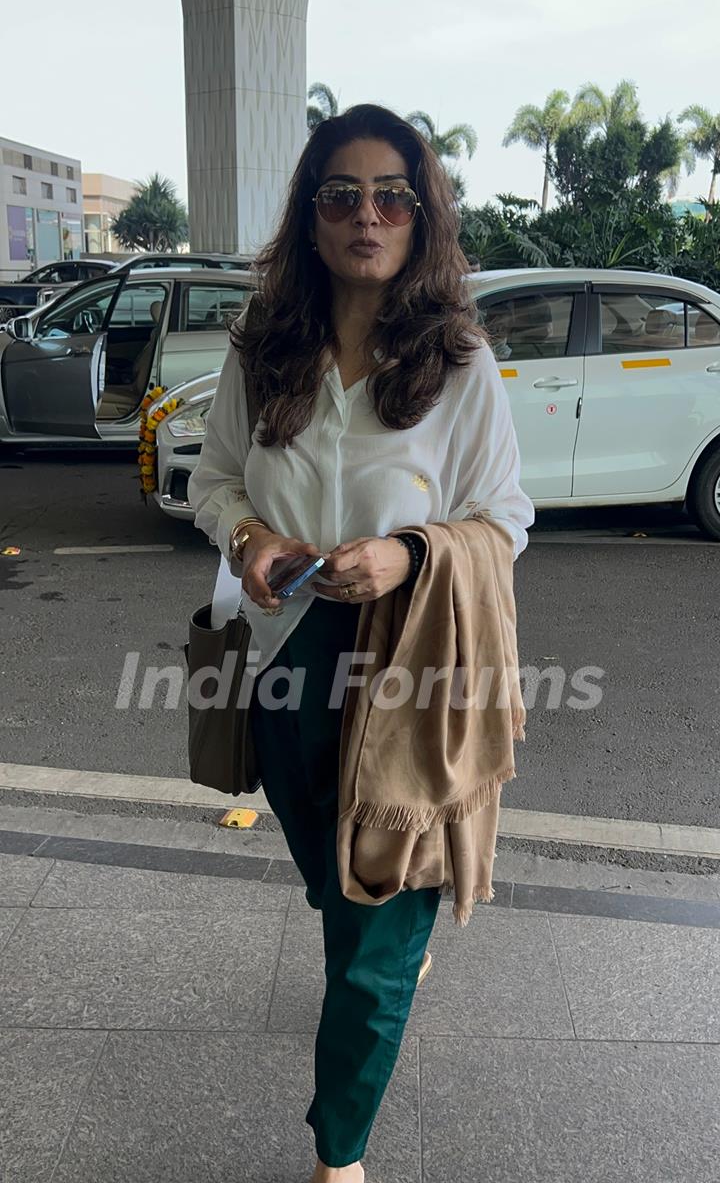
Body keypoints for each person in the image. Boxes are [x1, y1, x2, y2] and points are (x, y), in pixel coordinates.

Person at [188, 103, 534, 1183]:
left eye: (393, 194)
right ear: (311, 212)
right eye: (342, 194)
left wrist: (410, 555)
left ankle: (341, 1155)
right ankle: (364, 929)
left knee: (375, 955)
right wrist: (247, 535)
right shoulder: (264, 351)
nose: (368, 214)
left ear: (423, 214)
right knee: (328, 874)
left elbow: (506, 517)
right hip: (285, 657)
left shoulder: (460, 362)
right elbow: (215, 479)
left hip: (412, 668)